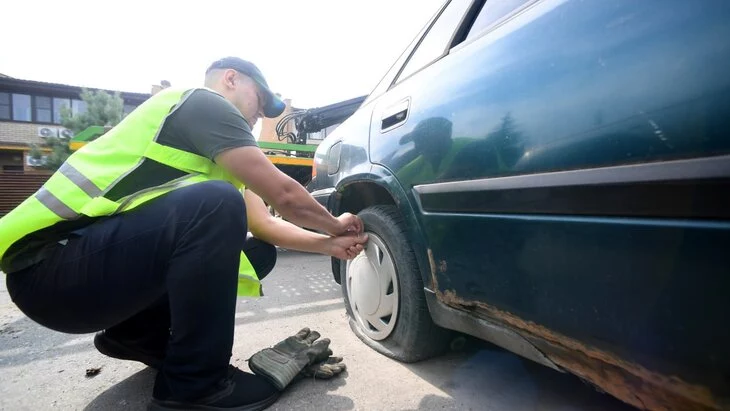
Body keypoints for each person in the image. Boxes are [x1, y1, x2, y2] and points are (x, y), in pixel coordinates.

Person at [0, 56, 368, 411]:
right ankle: (196, 387)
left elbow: (267, 225)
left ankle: (137, 337)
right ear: (230, 79)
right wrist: (335, 223)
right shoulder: (200, 103)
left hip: (83, 277)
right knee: (216, 202)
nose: (259, 116)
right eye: (259, 100)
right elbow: (285, 195)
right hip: (48, 270)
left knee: (257, 252)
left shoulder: (217, 161)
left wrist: (329, 246)